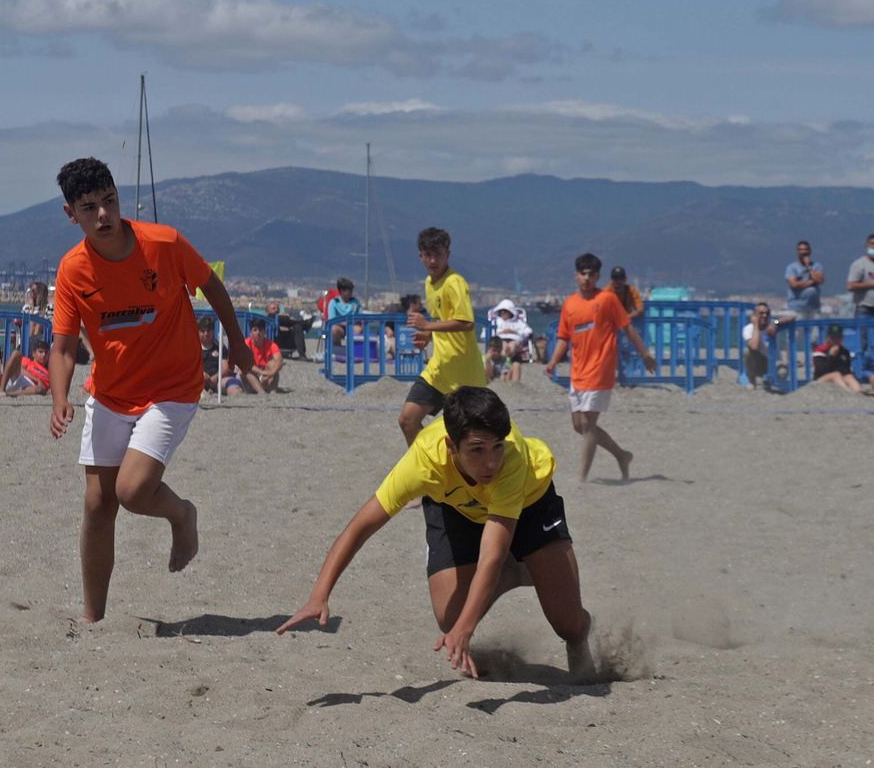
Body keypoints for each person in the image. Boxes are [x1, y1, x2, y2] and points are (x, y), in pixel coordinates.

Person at [46, 157, 255, 624]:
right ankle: (93, 618)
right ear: (71, 215)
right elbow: (61, 348)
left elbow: (213, 288)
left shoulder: (164, 243)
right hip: (110, 394)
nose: (103, 215)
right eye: (89, 208)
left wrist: (238, 346)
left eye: (110, 202)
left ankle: (182, 515)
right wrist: (60, 399)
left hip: (172, 388)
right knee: (98, 504)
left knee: (133, 490)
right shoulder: (73, 270)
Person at [278, 386, 594, 680]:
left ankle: (572, 628)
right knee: (449, 617)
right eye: (477, 450)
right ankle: (518, 572)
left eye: (497, 447)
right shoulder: (423, 461)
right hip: (457, 508)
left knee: (568, 624)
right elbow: (361, 526)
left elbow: (493, 552)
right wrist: (319, 595)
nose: (491, 461)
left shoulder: (511, 460)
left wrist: (465, 631)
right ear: (450, 446)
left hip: (530, 502)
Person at [543, 253, 658, 482]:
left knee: (588, 425)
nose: (586, 278)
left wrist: (644, 353)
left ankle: (581, 480)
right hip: (578, 372)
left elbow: (627, 327)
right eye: (582, 274)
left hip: (601, 370)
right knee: (579, 426)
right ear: (576, 276)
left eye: (591, 274)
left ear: (597, 276)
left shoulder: (607, 300)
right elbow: (564, 337)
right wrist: (554, 361)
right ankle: (621, 455)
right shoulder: (570, 304)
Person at [400, 228, 488, 445]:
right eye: (428, 254)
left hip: (464, 375)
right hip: (439, 369)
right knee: (407, 421)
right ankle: (426, 465)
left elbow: (467, 322)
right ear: (420, 256)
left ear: (447, 254)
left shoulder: (454, 282)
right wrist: (428, 334)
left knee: (467, 439)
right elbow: (443, 317)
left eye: (438, 254)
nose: (432, 260)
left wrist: (428, 324)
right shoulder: (429, 283)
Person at [231, 318, 283, 394]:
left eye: (261, 330)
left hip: (265, 376)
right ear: (251, 332)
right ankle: (261, 392)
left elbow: (279, 360)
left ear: (264, 332)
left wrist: (271, 372)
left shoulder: (271, 344)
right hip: (250, 377)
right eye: (255, 330)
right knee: (245, 370)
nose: (258, 333)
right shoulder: (246, 343)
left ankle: (272, 391)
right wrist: (262, 372)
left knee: (273, 365)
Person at [809, 325, 862, 393]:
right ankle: (848, 394)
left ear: (842, 337)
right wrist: (831, 356)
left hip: (840, 380)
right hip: (820, 380)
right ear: (828, 338)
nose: (836, 340)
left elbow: (846, 371)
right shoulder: (820, 351)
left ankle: (858, 393)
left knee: (849, 376)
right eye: (833, 337)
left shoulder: (844, 352)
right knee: (835, 375)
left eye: (839, 337)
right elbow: (820, 371)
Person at [742, 302, 777, 390]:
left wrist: (776, 322)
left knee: (782, 373)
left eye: (767, 313)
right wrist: (756, 325)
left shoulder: (773, 325)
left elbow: (790, 317)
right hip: (758, 362)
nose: (765, 316)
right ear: (755, 315)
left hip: (773, 361)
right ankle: (752, 381)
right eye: (761, 313)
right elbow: (754, 346)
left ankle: (768, 381)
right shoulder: (748, 328)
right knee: (747, 352)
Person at [785, 241, 824, 319]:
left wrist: (809, 266)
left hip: (814, 308)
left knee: (815, 330)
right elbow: (794, 284)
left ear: (809, 251)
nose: (803, 252)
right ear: (797, 252)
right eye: (801, 250)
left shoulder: (817, 266)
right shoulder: (792, 268)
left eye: (805, 249)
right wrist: (812, 281)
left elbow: (820, 280)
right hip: (797, 308)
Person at [327, 278, 361, 345]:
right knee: (334, 330)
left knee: (358, 329)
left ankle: (353, 349)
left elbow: (360, 317)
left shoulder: (355, 302)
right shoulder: (334, 302)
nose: (351, 292)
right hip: (339, 327)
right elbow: (332, 320)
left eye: (351, 290)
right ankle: (337, 347)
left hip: (352, 326)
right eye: (349, 290)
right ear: (342, 291)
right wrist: (344, 323)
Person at [197, 316, 226, 393]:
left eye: (209, 330)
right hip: (198, 380)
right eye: (203, 331)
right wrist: (201, 375)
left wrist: (216, 377)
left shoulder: (220, 347)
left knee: (232, 385)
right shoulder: (192, 348)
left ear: (213, 331)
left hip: (217, 380)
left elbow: (225, 368)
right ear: (198, 331)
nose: (206, 334)